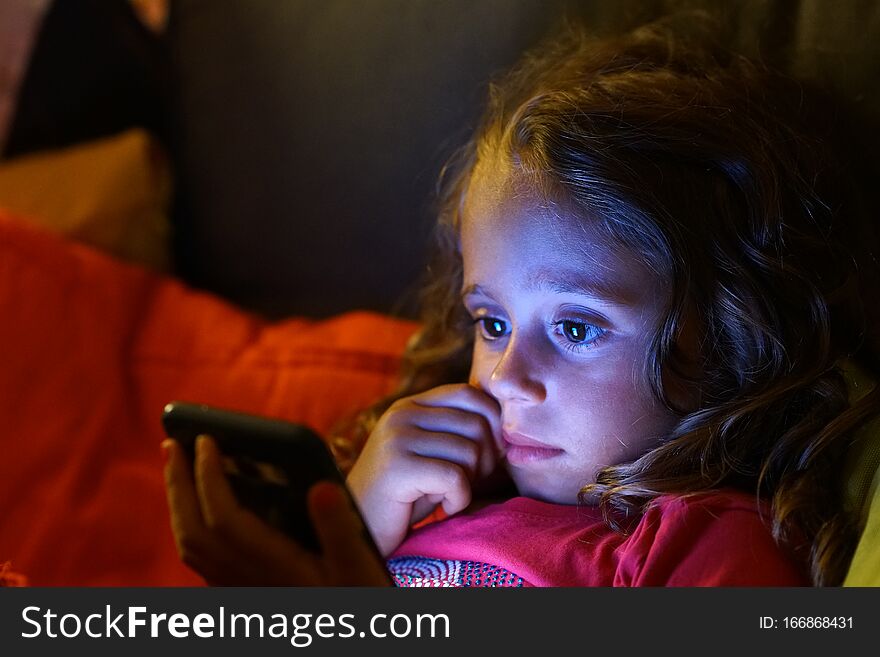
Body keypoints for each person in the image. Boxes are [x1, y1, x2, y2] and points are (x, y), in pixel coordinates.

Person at [162, 14, 880, 587]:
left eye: (575, 325)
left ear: (727, 339)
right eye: (493, 321)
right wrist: (346, 522)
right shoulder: (420, 492)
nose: (505, 376)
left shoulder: (707, 543)